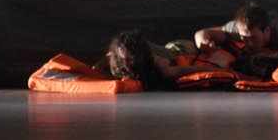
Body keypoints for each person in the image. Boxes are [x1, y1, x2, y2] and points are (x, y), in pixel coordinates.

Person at [93, 29, 227, 87]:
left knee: (195, 46)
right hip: (161, 48)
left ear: (139, 58)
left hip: (181, 49)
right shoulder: (116, 55)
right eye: (123, 60)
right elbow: (96, 69)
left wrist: (219, 71)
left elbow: (183, 70)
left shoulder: (157, 62)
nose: (126, 64)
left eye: (130, 60)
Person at [193, 1, 278, 53]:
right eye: (244, 38)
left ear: (267, 30)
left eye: (253, 38)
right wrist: (204, 43)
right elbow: (202, 33)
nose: (249, 43)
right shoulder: (239, 28)